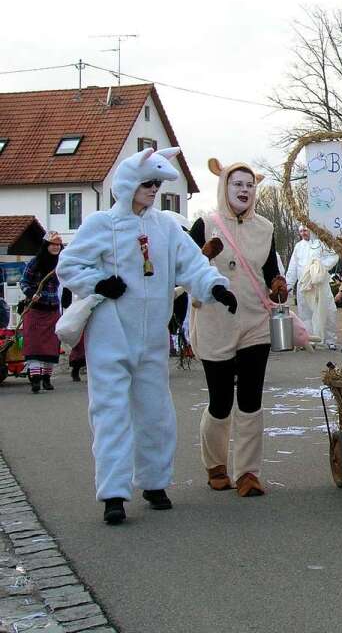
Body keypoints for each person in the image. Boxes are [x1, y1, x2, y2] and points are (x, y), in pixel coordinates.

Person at [57, 147, 236, 525]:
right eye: (148, 183)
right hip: (110, 336)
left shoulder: (166, 227)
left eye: (158, 184)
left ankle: (154, 482)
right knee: (110, 414)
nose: (154, 190)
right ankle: (114, 493)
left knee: (156, 413)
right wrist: (98, 282)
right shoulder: (100, 225)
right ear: (129, 185)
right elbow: (70, 265)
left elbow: (191, 263)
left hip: (152, 337)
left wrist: (215, 287)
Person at [189, 159, 288, 497]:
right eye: (237, 184)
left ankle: (248, 473)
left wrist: (277, 285)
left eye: (249, 185)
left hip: (254, 321)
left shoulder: (266, 227)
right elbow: (187, 270)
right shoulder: (204, 224)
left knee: (250, 399)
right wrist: (204, 254)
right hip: (215, 321)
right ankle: (216, 464)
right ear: (224, 188)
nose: (244, 190)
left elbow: (270, 270)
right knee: (220, 401)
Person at [19, 232, 64, 393]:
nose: (55, 247)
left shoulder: (62, 264)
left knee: (51, 346)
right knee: (34, 345)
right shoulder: (35, 263)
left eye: (58, 245)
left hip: (53, 311)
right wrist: (32, 294)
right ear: (46, 246)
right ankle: (35, 380)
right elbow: (24, 282)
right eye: (52, 244)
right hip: (36, 310)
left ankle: (46, 378)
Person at [285, 226, 339, 349]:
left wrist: (320, 267)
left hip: (320, 285)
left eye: (305, 230)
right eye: (301, 231)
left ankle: (330, 340)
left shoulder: (322, 244)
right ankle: (310, 339)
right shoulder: (298, 246)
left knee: (328, 310)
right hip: (304, 286)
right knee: (305, 314)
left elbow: (334, 256)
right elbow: (293, 267)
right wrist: (288, 284)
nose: (303, 233)